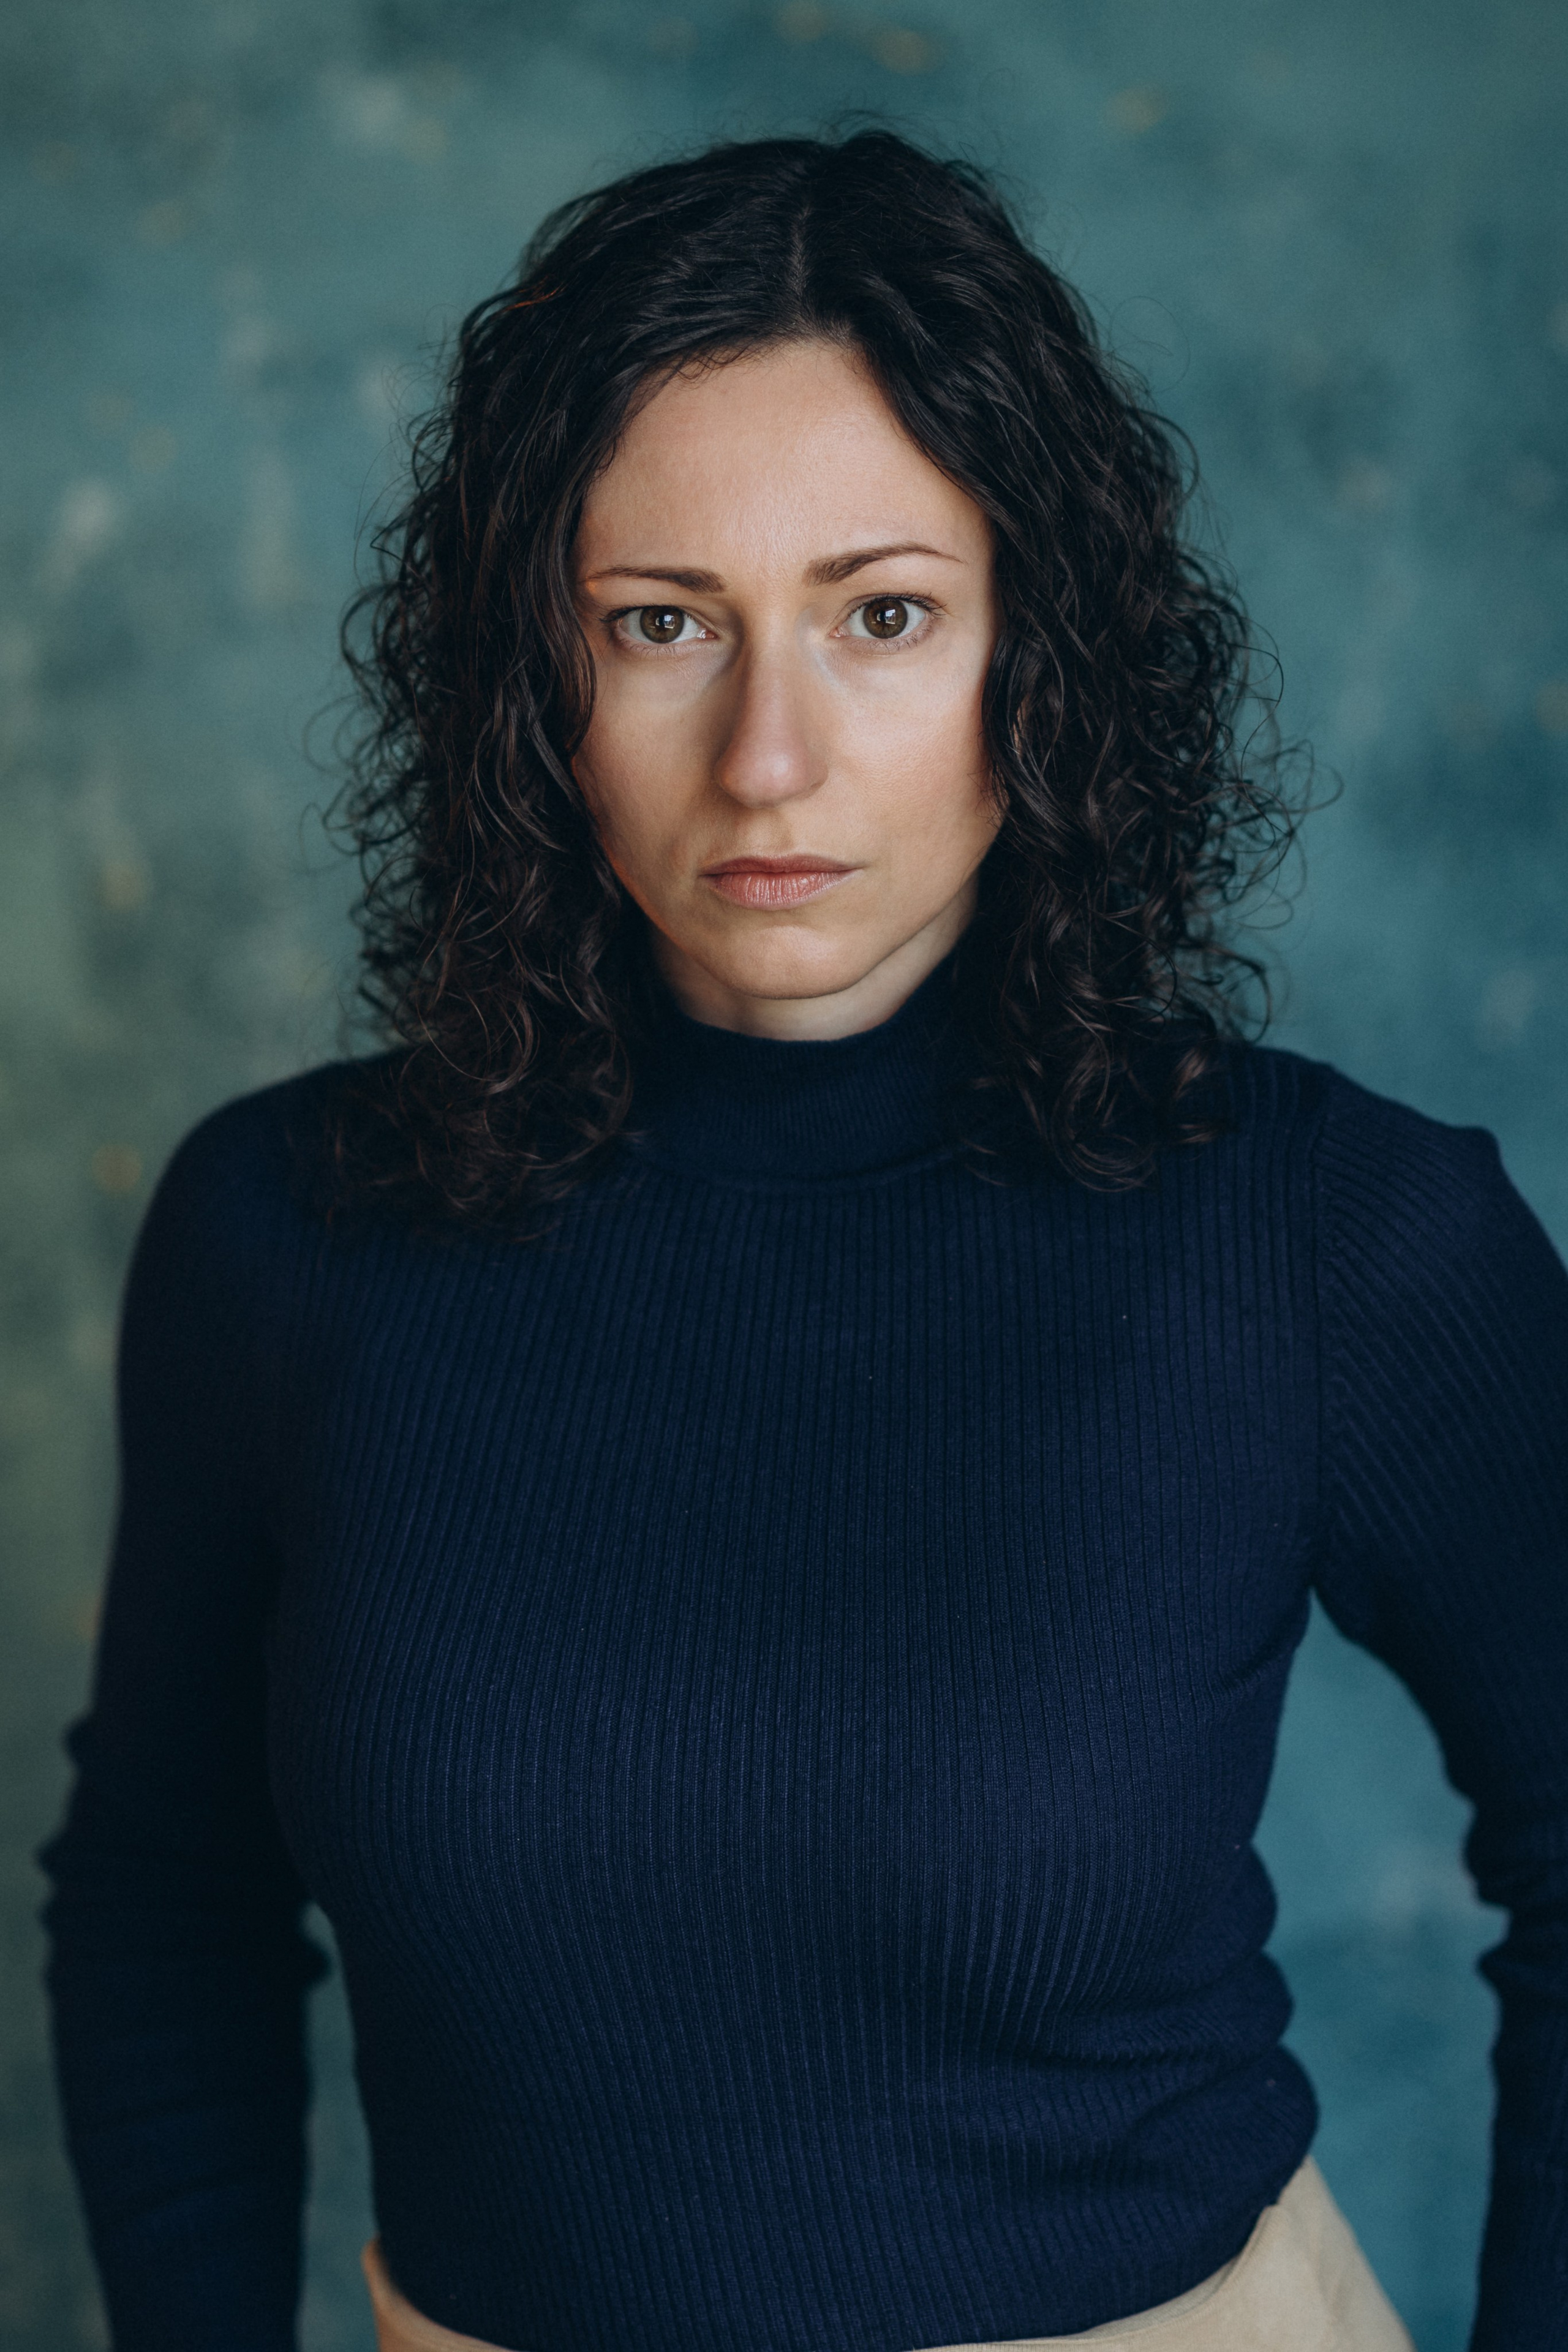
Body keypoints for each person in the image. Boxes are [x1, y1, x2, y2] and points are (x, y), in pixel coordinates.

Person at [39, 130, 1568, 2352]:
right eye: (663, 624)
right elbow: (167, 1905)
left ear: (1037, 655)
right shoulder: (288, 1236)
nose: (770, 757)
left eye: (883, 614)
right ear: (528, 686)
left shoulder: (1327, 1234)